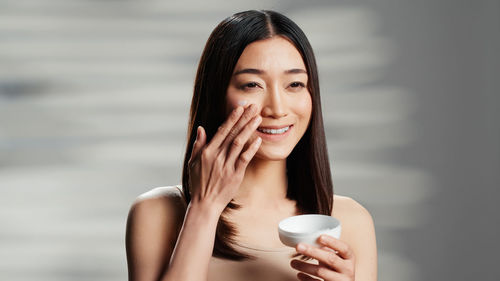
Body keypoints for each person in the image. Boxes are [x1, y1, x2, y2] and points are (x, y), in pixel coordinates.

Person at [125, 10, 377, 281]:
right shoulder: (156, 213)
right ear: (216, 96)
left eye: (294, 84)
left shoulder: (349, 221)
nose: (278, 109)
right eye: (252, 85)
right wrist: (204, 207)